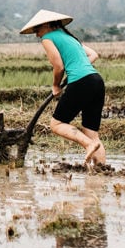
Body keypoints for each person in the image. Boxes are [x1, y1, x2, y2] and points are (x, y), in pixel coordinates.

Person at [20, 9, 106, 165]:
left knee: (56, 124)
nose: (37, 35)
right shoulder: (70, 38)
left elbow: (58, 66)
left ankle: (88, 145)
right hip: (97, 81)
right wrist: (78, 68)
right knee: (92, 133)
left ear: (46, 25)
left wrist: (55, 85)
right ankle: (102, 171)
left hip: (81, 82)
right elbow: (93, 55)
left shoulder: (47, 38)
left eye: (37, 30)